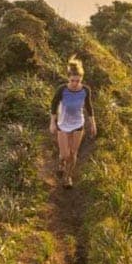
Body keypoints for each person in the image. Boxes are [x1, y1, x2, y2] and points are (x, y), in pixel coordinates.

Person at [49, 55, 97, 188]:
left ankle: (67, 177)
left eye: (78, 80)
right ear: (68, 78)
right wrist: (52, 122)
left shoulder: (85, 90)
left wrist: (93, 124)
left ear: (81, 79)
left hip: (78, 124)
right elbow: (54, 104)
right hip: (63, 124)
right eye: (72, 80)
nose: (75, 83)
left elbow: (89, 107)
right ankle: (61, 162)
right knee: (65, 154)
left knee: (72, 154)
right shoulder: (62, 90)